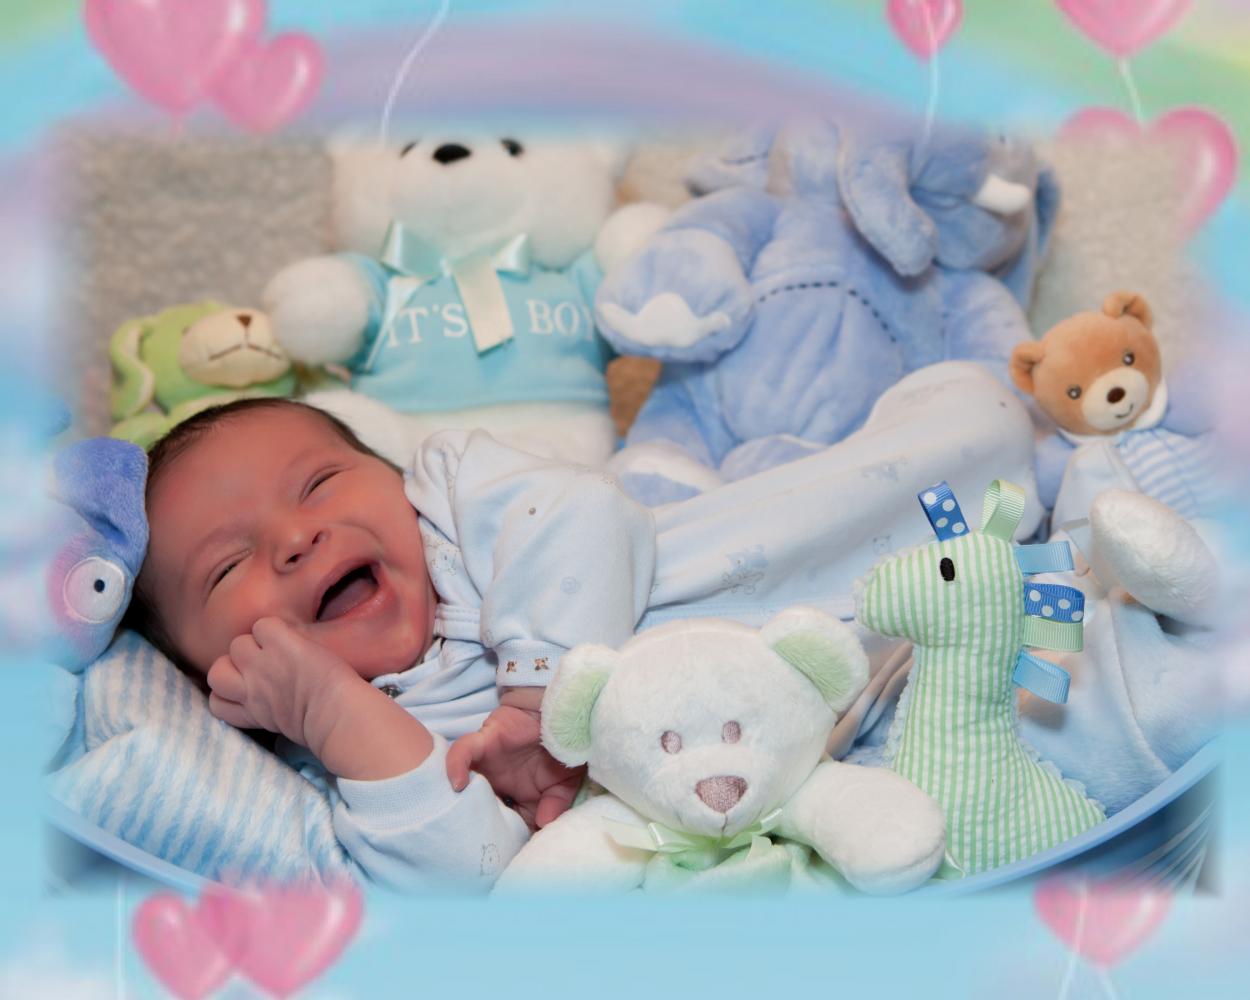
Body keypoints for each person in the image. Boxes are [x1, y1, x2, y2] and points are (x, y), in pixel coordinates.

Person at [132, 361, 1035, 889]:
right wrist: (333, 714)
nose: (295, 538)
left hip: (762, 570)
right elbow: (475, 882)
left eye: (321, 483)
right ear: (213, 680)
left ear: (394, 477)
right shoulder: (347, 761)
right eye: (226, 567)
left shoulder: (452, 503)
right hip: (822, 740)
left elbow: (587, 513)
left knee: (976, 433)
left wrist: (535, 698)